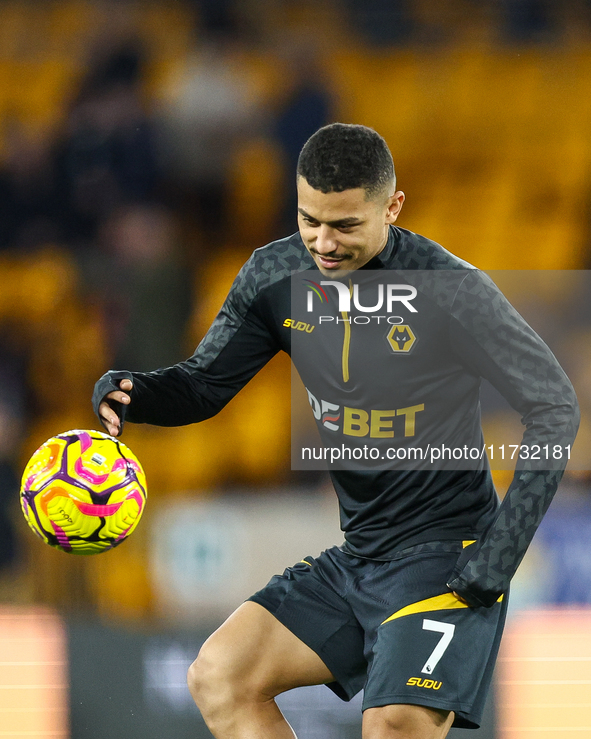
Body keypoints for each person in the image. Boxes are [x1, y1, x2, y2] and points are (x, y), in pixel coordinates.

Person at [93, 123, 579, 739]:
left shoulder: (452, 290)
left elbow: (554, 406)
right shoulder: (275, 276)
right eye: (309, 220)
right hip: (360, 556)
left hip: (446, 560)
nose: (323, 241)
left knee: (394, 723)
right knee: (219, 675)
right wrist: (135, 391)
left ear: (392, 207)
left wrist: (499, 557)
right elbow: (202, 386)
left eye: (345, 225)